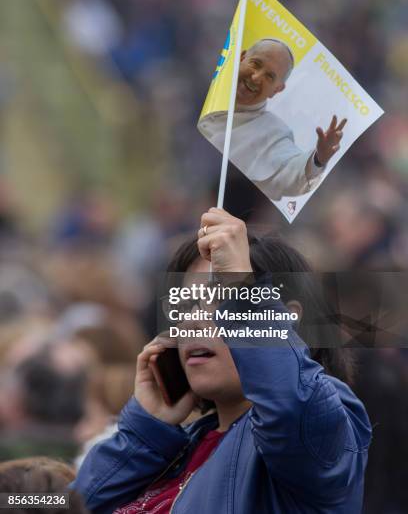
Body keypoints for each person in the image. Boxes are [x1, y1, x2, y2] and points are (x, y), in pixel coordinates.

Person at [72, 207, 371, 513]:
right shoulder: (174, 449)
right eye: (186, 304)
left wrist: (241, 284)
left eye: (221, 298)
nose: (192, 321)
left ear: (287, 319)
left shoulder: (318, 426)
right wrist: (144, 436)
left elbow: (291, 403)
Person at [198, 39, 347, 201]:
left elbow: (292, 173)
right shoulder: (199, 83)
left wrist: (319, 158)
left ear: (277, 89)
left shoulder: (274, 133)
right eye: (255, 64)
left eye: (269, 76)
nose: (255, 77)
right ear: (241, 58)